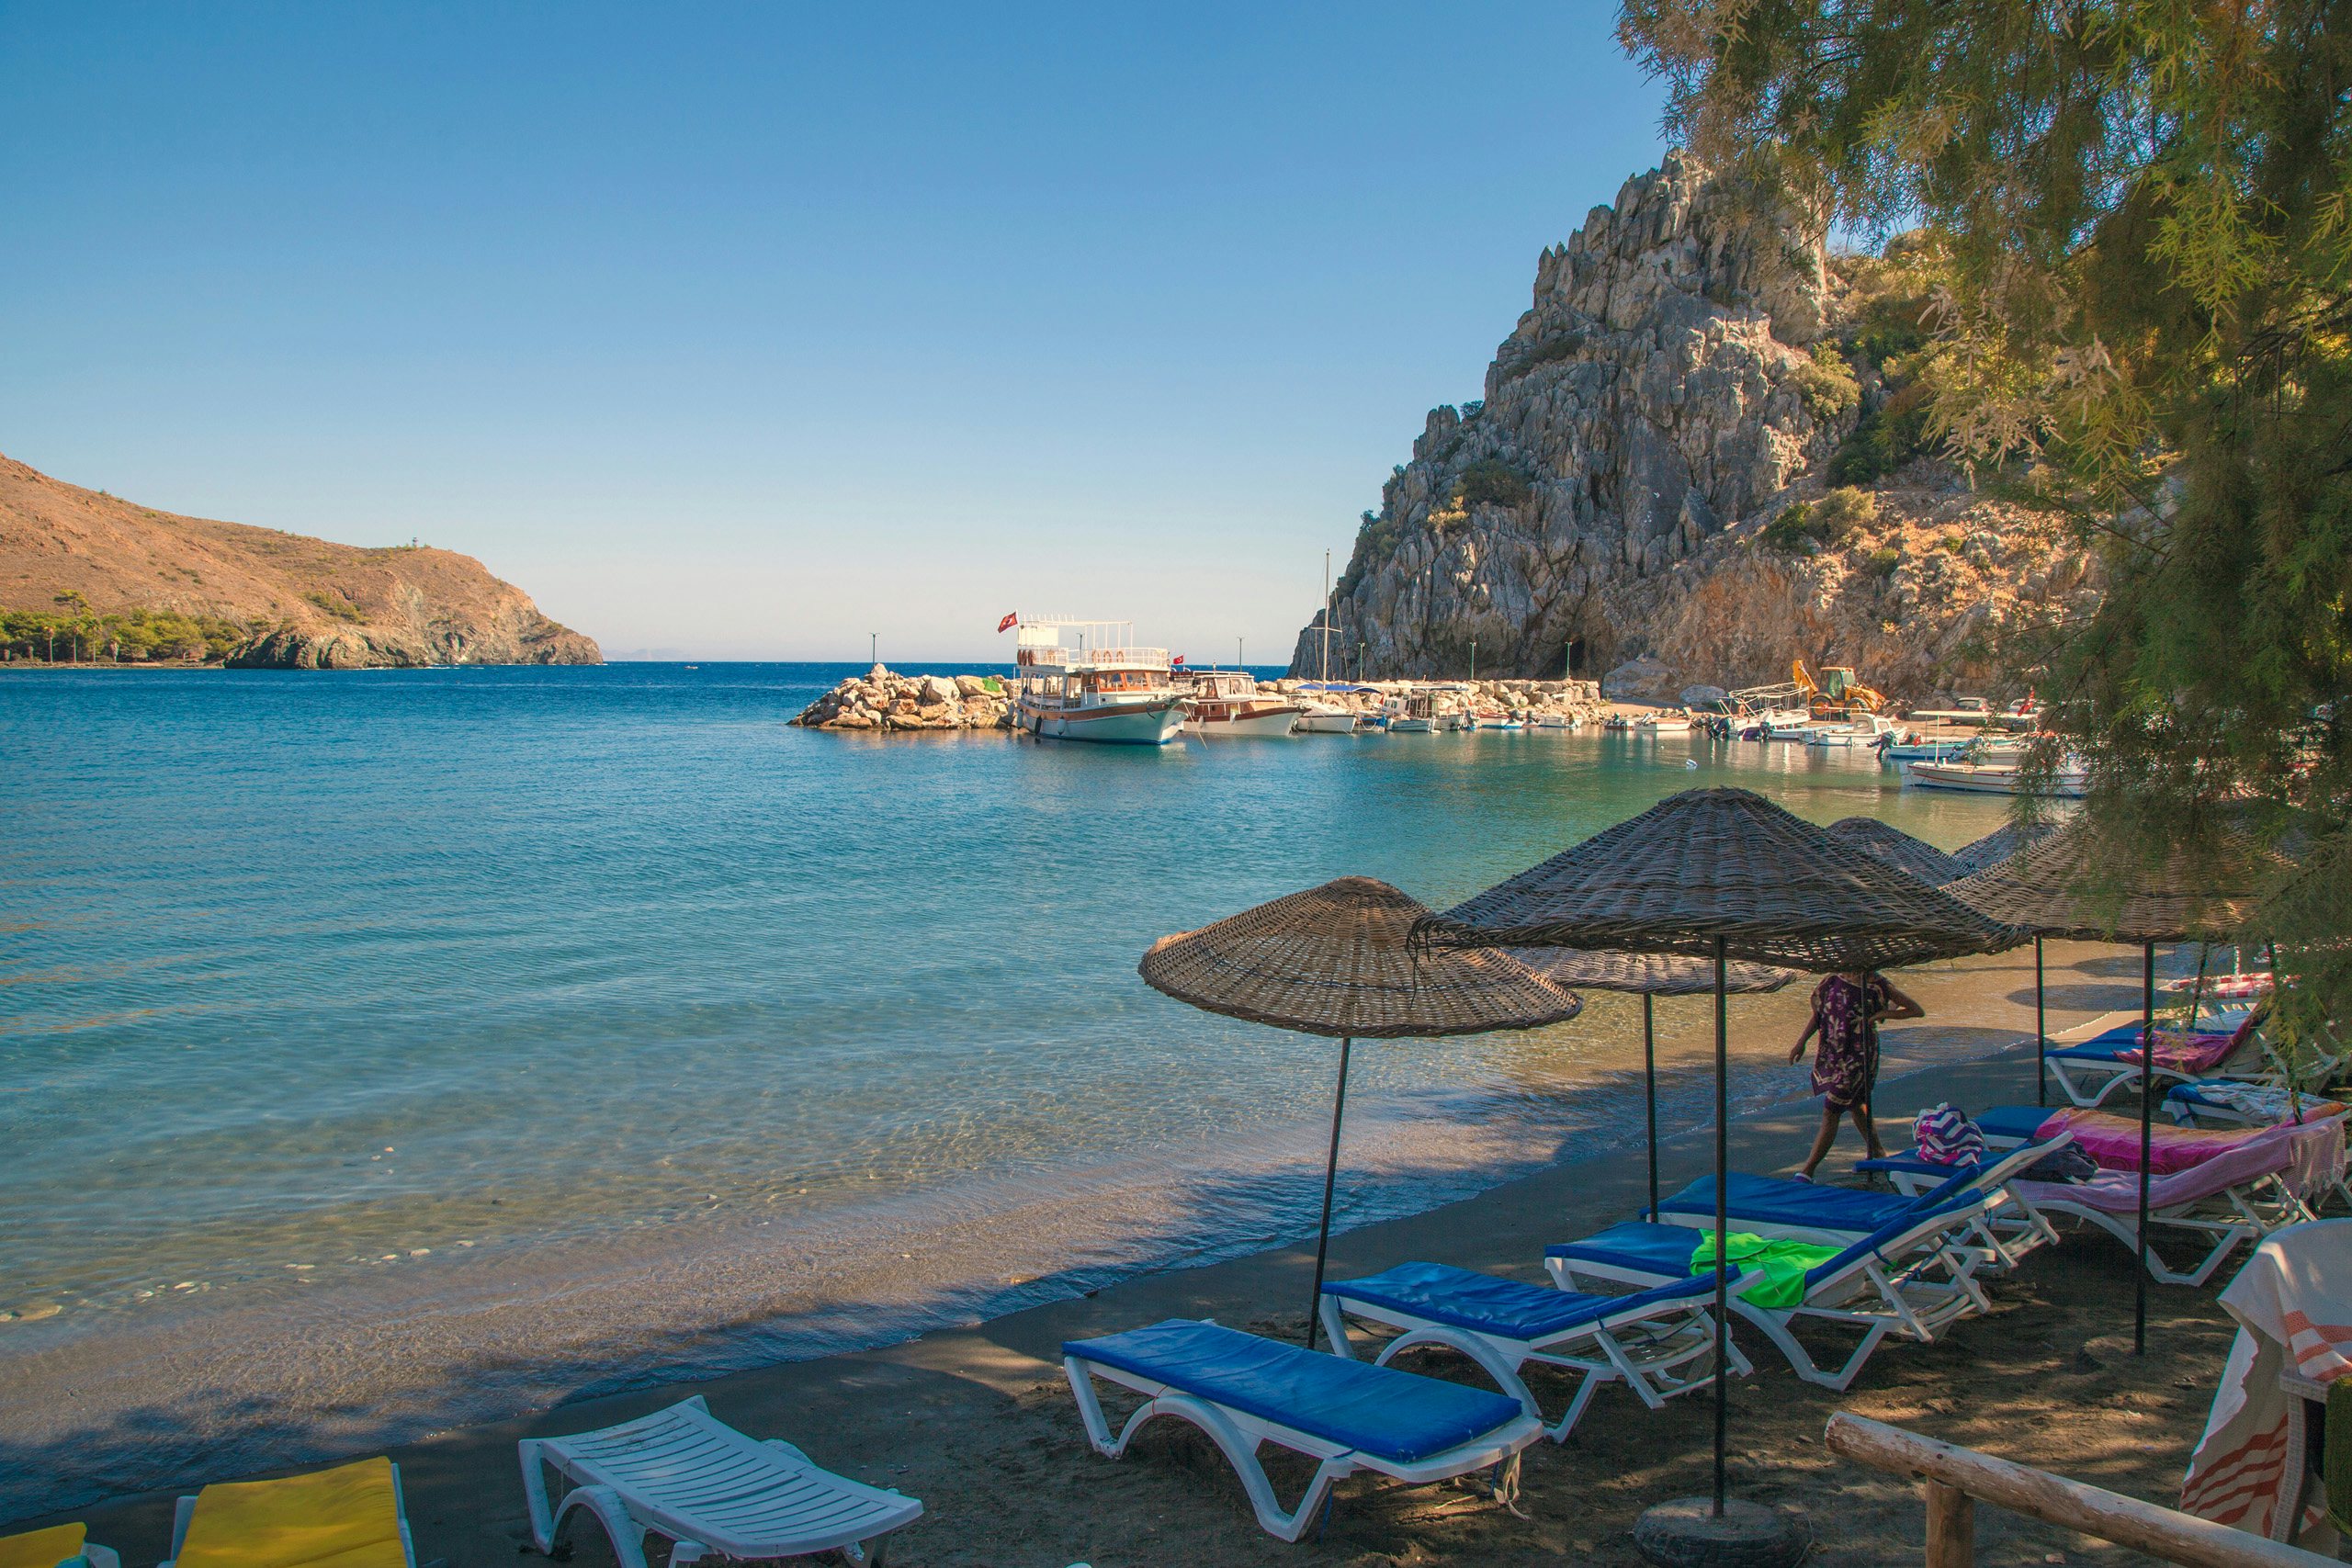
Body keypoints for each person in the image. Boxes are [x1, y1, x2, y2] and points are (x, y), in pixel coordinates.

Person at [1787, 969, 1923, 1179]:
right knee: (1856, 1104)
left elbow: (1915, 1010)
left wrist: (1882, 1014)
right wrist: (1800, 1043)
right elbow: (1818, 1016)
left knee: (1831, 1110)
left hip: (1859, 1056)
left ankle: (1808, 1170)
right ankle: (1877, 1151)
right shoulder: (1832, 980)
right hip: (1836, 1053)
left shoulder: (1877, 984)